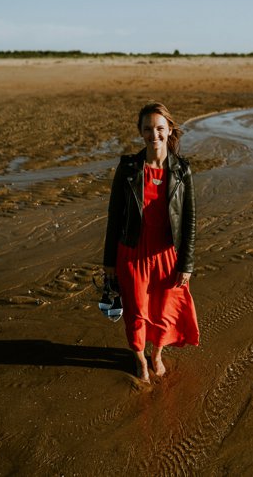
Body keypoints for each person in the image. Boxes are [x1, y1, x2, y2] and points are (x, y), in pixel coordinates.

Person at [103, 102, 199, 382]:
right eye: (148, 129)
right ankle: (140, 360)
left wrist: (187, 263)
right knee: (136, 314)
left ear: (169, 130)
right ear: (141, 132)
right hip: (132, 253)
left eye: (159, 128)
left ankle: (156, 354)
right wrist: (109, 262)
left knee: (165, 311)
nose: (153, 134)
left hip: (168, 254)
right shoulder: (128, 169)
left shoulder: (182, 170)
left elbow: (191, 219)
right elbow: (114, 217)